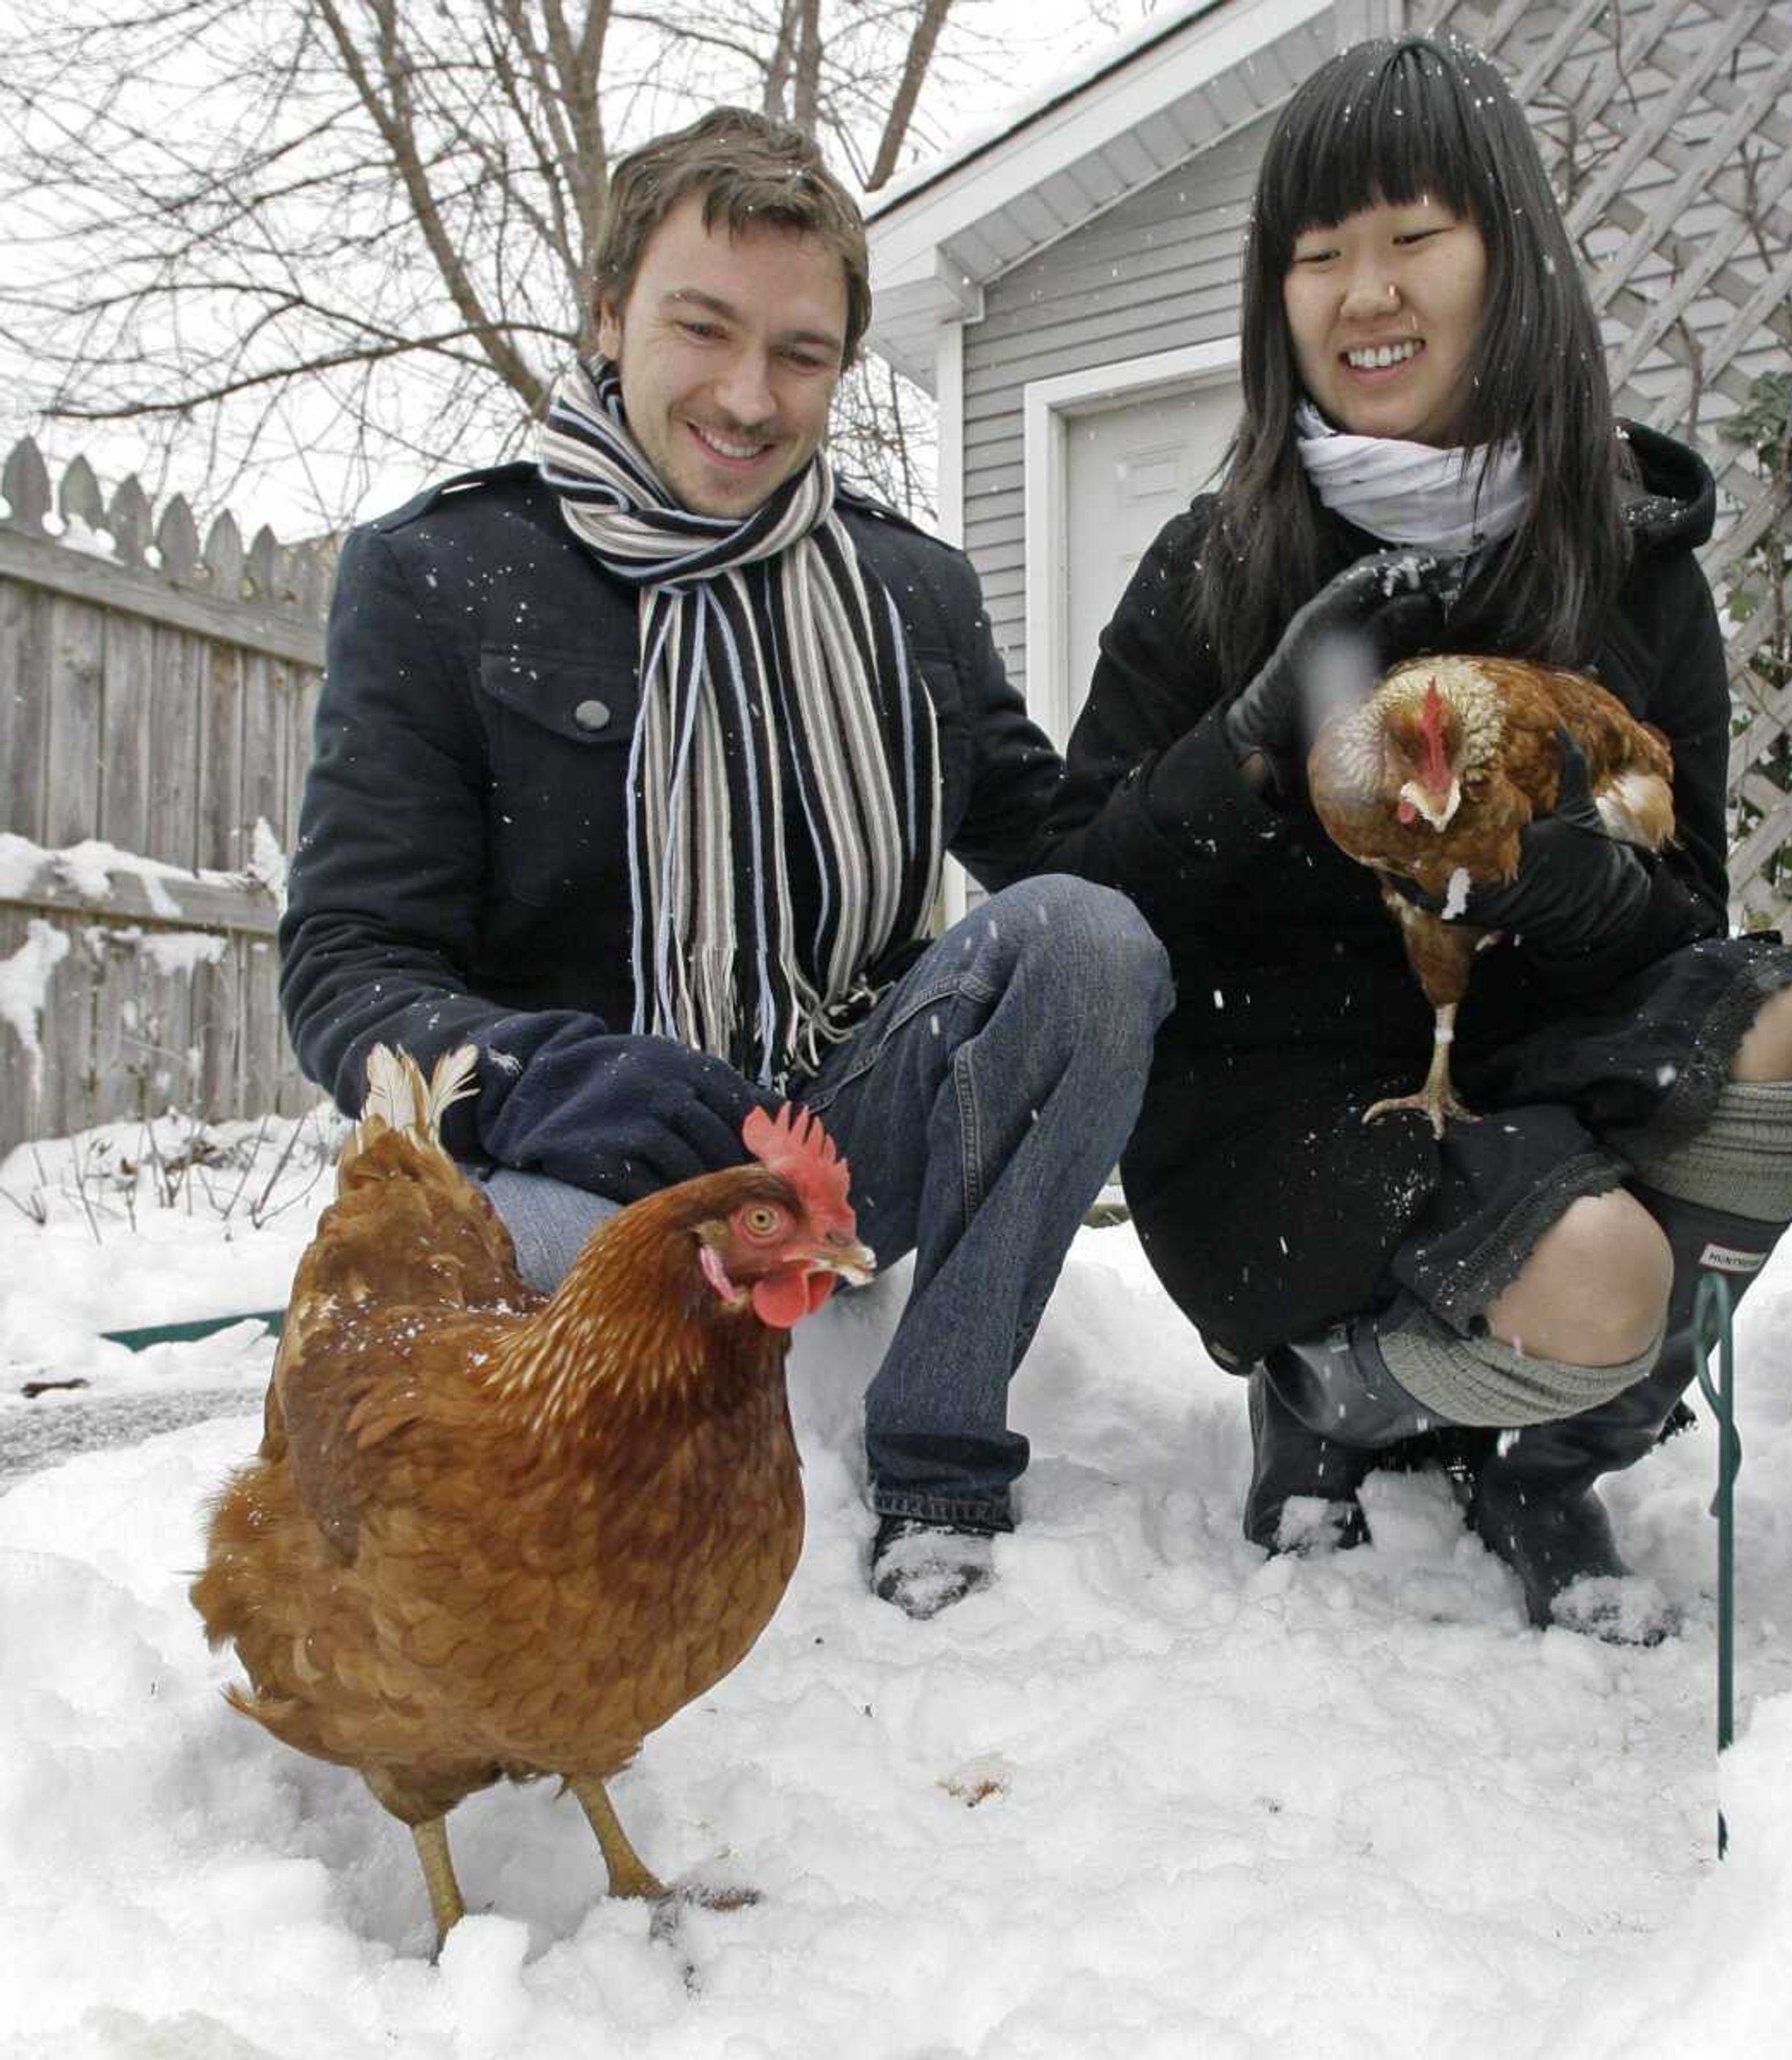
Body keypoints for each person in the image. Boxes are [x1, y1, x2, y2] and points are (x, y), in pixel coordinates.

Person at [278, 108, 1171, 1619]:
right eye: (704, 329)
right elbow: (348, 963)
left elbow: (1070, 863)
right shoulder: (444, 577)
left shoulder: (907, 592)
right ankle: (565, 1597)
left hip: (834, 1138)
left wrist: (1237, 716)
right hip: (584, 1165)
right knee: (514, 1309)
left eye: (803, 353)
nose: (750, 398)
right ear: (611, 309)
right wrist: (554, 1078)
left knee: (1093, 942)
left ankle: (941, 1449)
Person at [1038, 35, 1792, 1643]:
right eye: (1316, 255)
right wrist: (1254, 741)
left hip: (1527, 1069)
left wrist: (1569, 882)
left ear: (1510, 260)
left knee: (1783, 1034)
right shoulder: (1217, 563)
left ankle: (1552, 1459)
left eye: (1412, 238)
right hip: (1278, 1116)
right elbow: (1082, 906)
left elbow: (1693, 914)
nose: (1361, 292)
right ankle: (1331, 1395)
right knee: (1601, 1273)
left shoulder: (1633, 574)